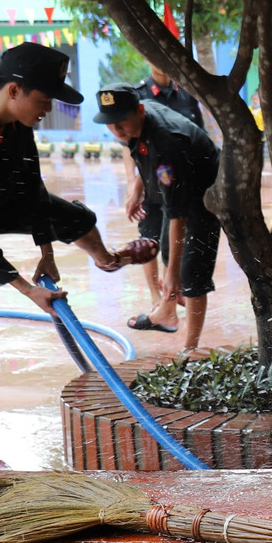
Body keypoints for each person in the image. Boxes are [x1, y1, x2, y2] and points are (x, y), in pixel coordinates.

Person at [0, 43, 155, 471]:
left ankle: (107, 259)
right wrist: (25, 290)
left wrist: (47, 253)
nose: (49, 110)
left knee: (75, 216)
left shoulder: (19, 122)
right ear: (16, 90)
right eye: (45, 100)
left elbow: (32, 190)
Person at [100, 84, 221, 353]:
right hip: (179, 185)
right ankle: (167, 313)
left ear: (139, 111)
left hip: (207, 192)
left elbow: (179, 214)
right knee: (168, 250)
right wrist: (137, 187)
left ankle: (190, 349)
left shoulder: (168, 142)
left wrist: (172, 274)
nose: (117, 130)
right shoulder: (136, 123)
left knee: (191, 271)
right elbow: (144, 156)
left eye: (121, 122)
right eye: (110, 123)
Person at [129, 63, 203, 307]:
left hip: (182, 184)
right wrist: (134, 186)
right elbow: (128, 149)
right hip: (150, 181)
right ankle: (155, 297)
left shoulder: (186, 95)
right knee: (148, 238)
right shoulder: (139, 96)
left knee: (177, 235)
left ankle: (173, 288)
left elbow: (197, 136)